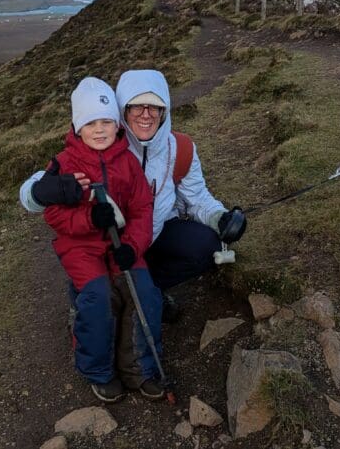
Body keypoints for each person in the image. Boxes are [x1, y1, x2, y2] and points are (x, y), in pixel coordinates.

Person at [21, 69, 246, 319]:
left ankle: (147, 289)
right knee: (98, 292)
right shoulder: (104, 142)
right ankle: (96, 295)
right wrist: (38, 191)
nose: (146, 115)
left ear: (165, 111)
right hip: (106, 243)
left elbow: (197, 197)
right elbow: (54, 174)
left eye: (155, 107)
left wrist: (220, 217)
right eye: (137, 106)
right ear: (122, 111)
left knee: (205, 246)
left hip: (155, 232)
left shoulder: (180, 148)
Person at [42, 76, 164, 403]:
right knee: (98, 296)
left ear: (117, 124)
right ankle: (98, 370)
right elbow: (53, 215)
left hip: (122, 245)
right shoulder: (64, 165)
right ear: (77, 126)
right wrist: (87, 218)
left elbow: (141, 208)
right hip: (80, 248)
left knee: (145, 293)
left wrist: (133, 247)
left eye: (106, 122)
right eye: (91, 122)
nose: (99, 129)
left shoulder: (127, 161)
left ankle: (140, 368)